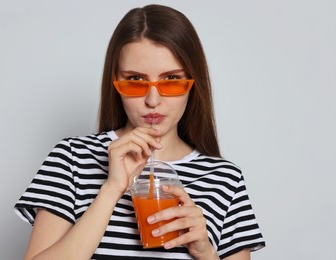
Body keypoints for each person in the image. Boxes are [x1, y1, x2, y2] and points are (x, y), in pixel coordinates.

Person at [14, 4, 265, 260]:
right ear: (116, 83)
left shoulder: (225, 179)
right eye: (135, 80)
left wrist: (206, 252)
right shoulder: (73, 159)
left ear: (193, 83)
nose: (153, 100)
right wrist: (111, 189)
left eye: (171, 79)